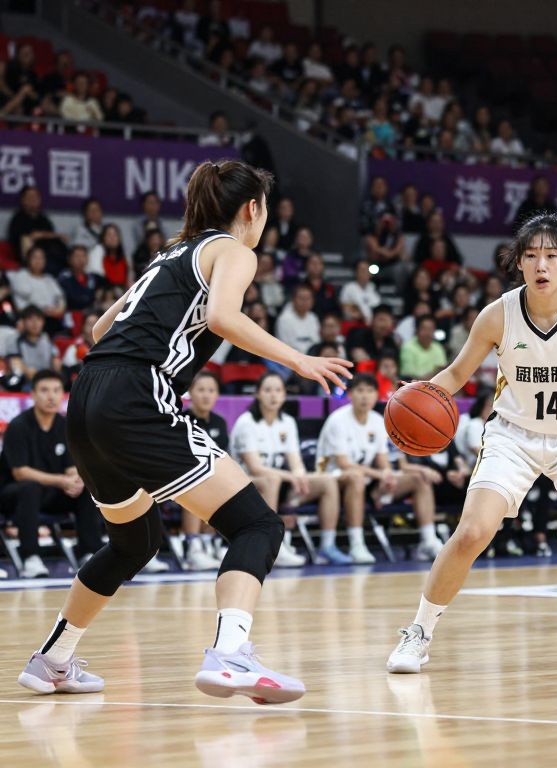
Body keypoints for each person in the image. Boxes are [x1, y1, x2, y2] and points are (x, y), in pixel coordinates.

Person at [15, 160, 351, 703]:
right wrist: (298, 359)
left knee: (135, 540)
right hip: (135, 395)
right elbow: (221, 316)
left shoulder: (169, 254)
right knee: (257, 526)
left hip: (89, 394)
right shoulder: (234, 251)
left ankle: (53, 659)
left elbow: (101, 329)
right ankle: (231, 656)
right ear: (253, 209)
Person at [386, 213, 557, 674]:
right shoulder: (497, 314)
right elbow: (458, 374)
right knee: (473, 531)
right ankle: (418, 632)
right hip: (513, 436)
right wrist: (420, 396)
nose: (542, 265)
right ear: (519, 263)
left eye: (551, 256)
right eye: (532, 255)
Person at [317, 374, 443, 564]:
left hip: (363, 478)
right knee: (355, 477)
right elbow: (344, 463)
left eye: (369, 391)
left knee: (419, 480)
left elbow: (383, 460)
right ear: (350, 394)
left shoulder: (378, 420)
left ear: (377, 395)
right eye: (359, 391)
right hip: (329, 475)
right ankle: (356, 544)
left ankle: (428, 540)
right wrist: (380, 474)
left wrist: (388, 476)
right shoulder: (338, 420)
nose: (365, 396)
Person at [230, 371, 350, 566]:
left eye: (278, 390)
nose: (273, 395)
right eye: (267, 390)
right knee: (272, 480)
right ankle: (271, 546)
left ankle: (327, 545)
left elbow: (296, 464)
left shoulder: (287, 422)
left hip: (279, 483)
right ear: (258, 394)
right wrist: (291, 476)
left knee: (326, 481)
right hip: (245, 484)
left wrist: (300, 477)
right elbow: (255, 467)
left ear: (285, 394)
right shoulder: (247, 422)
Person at [0, 371, 104, 578]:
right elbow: (20, 473)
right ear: (33, 395)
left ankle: (89, 553)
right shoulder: (19, 426)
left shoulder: (64, 425)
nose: (51, 396)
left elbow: (70, 466)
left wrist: (75, 480)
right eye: (45, 390)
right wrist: (62, 480)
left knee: (86, 489)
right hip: (13, 495)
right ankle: (31, 557)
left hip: (50, 493)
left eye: (57, 391)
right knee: (30, 488)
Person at [180, 371, 230, 571]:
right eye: (201, 390)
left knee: (223, 484)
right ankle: (193, 546)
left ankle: (210, 542)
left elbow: (223, 457)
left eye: (211, 390)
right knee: (197, 482)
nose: (206, 395)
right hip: (181, 478)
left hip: (213, 478)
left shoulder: (220, 422)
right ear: (190, 392)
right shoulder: (181, 421)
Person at [5, 306, 62, 387]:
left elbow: (56, 363)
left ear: (43, 322)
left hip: (49, 380)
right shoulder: (15, 341)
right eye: (30, 319)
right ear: (23, 322)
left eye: (38, 319)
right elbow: (17, 367)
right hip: (26, 382)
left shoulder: (47, 339)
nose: (35, 323)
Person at [275, 284, 321, 354]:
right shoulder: (284, 319)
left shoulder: (313, 317)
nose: (305, 302)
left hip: (312, 355)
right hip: (292, 357)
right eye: (302, 298)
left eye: (308, 298)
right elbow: (284, 345)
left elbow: (317, 341)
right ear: (293, 299)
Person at [400, 315, 446, 380]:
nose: (427, 333)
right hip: (413, 386)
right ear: (417, 330)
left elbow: (442, 372)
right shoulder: (408, 347)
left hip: (436, 386)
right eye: (424, 329)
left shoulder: (438, 348)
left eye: (430, 329)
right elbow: (409, 377)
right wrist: (434, 374)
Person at [340, 259, 380, 325]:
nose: (365, 273)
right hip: (355, 325)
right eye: (362, 270)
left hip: (372, 325)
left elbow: (377, 308)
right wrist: (361, 316)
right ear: (356, 272)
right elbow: (345, 309)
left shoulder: (372, 287)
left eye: (368, 270)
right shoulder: (349, 288)